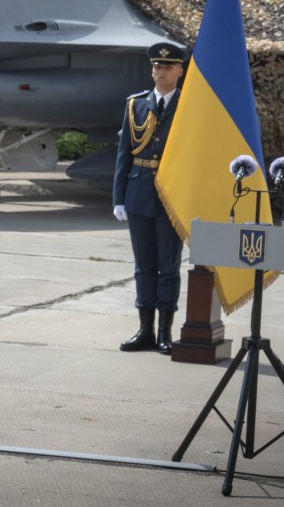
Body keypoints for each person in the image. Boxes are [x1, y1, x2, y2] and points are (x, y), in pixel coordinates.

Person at [112, 42, 188, 355]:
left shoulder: (189, 106)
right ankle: (144, 330)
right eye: (157, 67)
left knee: (168, 268)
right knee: (144, 266)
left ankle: (164, 333)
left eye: (168, 67)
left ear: (180, 71)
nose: (161, 72)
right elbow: (124, 154)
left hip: (173, 197)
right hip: (139, 193)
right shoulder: (136, 105)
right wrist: (119, 197)